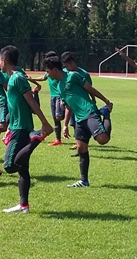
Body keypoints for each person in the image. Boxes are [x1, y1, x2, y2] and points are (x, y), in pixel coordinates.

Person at [44, 55, 113, 188]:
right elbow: (69, 106)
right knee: (81, 148)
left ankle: (106, 114)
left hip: (89, 112)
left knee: (103, 139)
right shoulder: (59, 86)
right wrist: (65, 125)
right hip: (79, 119)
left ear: (54, 70)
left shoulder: (73, 76)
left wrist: (106, 101)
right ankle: (83, 181)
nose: (47, 74)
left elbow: (90, 89)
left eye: (47, 71)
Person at [0, 45, 54, 213]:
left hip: (22, 127)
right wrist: (9, 127)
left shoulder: (17, 78)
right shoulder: (13, 77)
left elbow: (31, 101)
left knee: (10, 165)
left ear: (4, 60)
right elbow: (16, 105)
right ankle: (24, 205)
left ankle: (36, 138)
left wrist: (45, 123)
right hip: (16, 125)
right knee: (23, 169)